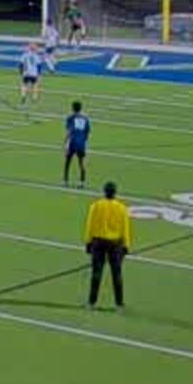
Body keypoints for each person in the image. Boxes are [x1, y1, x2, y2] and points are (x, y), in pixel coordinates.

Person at [84, 182, 132, 310]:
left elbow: (90, 225)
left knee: (96, 273)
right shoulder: (122, 208)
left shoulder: (96, 206)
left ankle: (91, 302)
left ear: (104, 191)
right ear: (115, 193)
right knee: (116, 274)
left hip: (98, 242)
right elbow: (125, 227)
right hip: (115, 243)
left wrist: (88, 242)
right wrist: (126, 245)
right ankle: (119, 303)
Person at [63, 100, 91, 185]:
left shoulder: (70, 117)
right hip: (81, 143)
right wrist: (84, 141)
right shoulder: (85, 118)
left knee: (68, 161)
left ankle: (66, 180)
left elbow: (69, 131)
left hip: (72, 142)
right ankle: (82, 181)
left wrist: (65, 142)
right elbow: (87, 132)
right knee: (81, 162)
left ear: (72, 108)